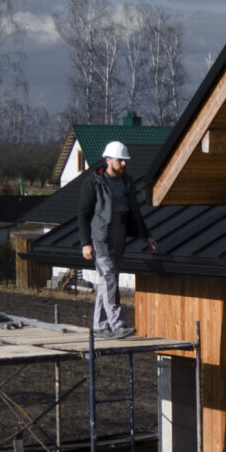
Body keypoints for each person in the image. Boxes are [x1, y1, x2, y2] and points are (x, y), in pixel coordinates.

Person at [81, 140, 159, 336]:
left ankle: (99, 324)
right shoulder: (94, 182)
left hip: (120, 233)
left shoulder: (126, 183)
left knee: (108, 279)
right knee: (109, 277)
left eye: (125, 161)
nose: (124, 164)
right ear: (108, 160)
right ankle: (117, 324)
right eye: (120, 160)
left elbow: (136, 212)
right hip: (100, 237)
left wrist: (146, 236)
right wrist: (85, 243)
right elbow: (83, 213)